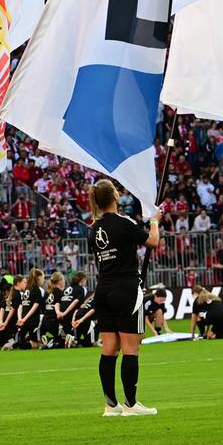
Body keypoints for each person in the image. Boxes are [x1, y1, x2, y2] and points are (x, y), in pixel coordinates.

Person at [88, 178, 160, 416]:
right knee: (131, 348)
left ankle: (111, 405)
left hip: (103, 289)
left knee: (108, 348)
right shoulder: (124, 222)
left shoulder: (94, 228)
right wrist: (155, 221)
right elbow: (152, 241)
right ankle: (131, 405)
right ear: (116, 196)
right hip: (126, 289)